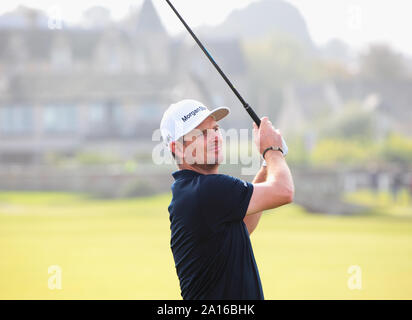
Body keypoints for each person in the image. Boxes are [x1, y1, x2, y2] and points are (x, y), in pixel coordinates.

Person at [160, 99, 294, 300]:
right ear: (178, 148)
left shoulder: (190, 190)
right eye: (202, 133)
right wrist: (272, 151)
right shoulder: (207, 190)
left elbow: (242, 226)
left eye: (215, 129)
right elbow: (284, 191)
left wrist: (268, 165)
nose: (214, 137)